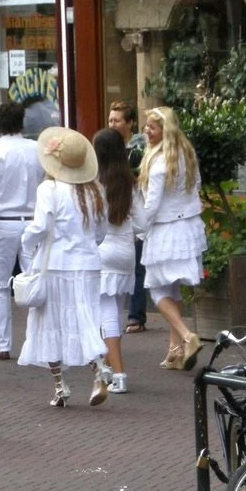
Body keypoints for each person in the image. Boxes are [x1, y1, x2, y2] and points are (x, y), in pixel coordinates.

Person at [17, 127, 109, 408]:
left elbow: (41, 226)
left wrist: (27, 240)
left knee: (49, 323)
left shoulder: (49, 189)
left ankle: (60, 385)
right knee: (86, 319)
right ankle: (98, 370)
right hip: (88, 263)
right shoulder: (96, 191)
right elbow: (101, 231)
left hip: (56, 264)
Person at [138, 106, 207, 371]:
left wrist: (141, 229)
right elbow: (197, 186)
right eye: (146, 126)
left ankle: (188, 336)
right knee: (173, 288)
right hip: (187, 227)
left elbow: (152, 205)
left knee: (157, 290)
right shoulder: (186, 153)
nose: (147, 131)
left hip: (165, 229)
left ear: (164, 130)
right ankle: (175, 350)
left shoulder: (157, 163)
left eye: (152, 128)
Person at [0, 102, 44, 360]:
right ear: (21, 123)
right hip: (32, 222)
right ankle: (37, 341)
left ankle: (0, 344)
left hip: (3, 222)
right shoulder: (36, 150)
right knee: (35, 283)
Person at [93, 128, 143, 394]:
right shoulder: (130, 183)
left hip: (102, 249)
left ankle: (119, 374)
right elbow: (143, 223)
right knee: (116, 311)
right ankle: (110, 367)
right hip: (126, 252)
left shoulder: (94, 183)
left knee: (106, 313)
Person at [109, 100, 149, 334]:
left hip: (136, 209)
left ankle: (136, 316)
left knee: (137, 267)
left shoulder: (138, 149)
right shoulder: (108, 145)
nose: (112, 124)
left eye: (117, 120)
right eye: (111, 119)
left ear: (130, 123)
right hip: (118, 215)